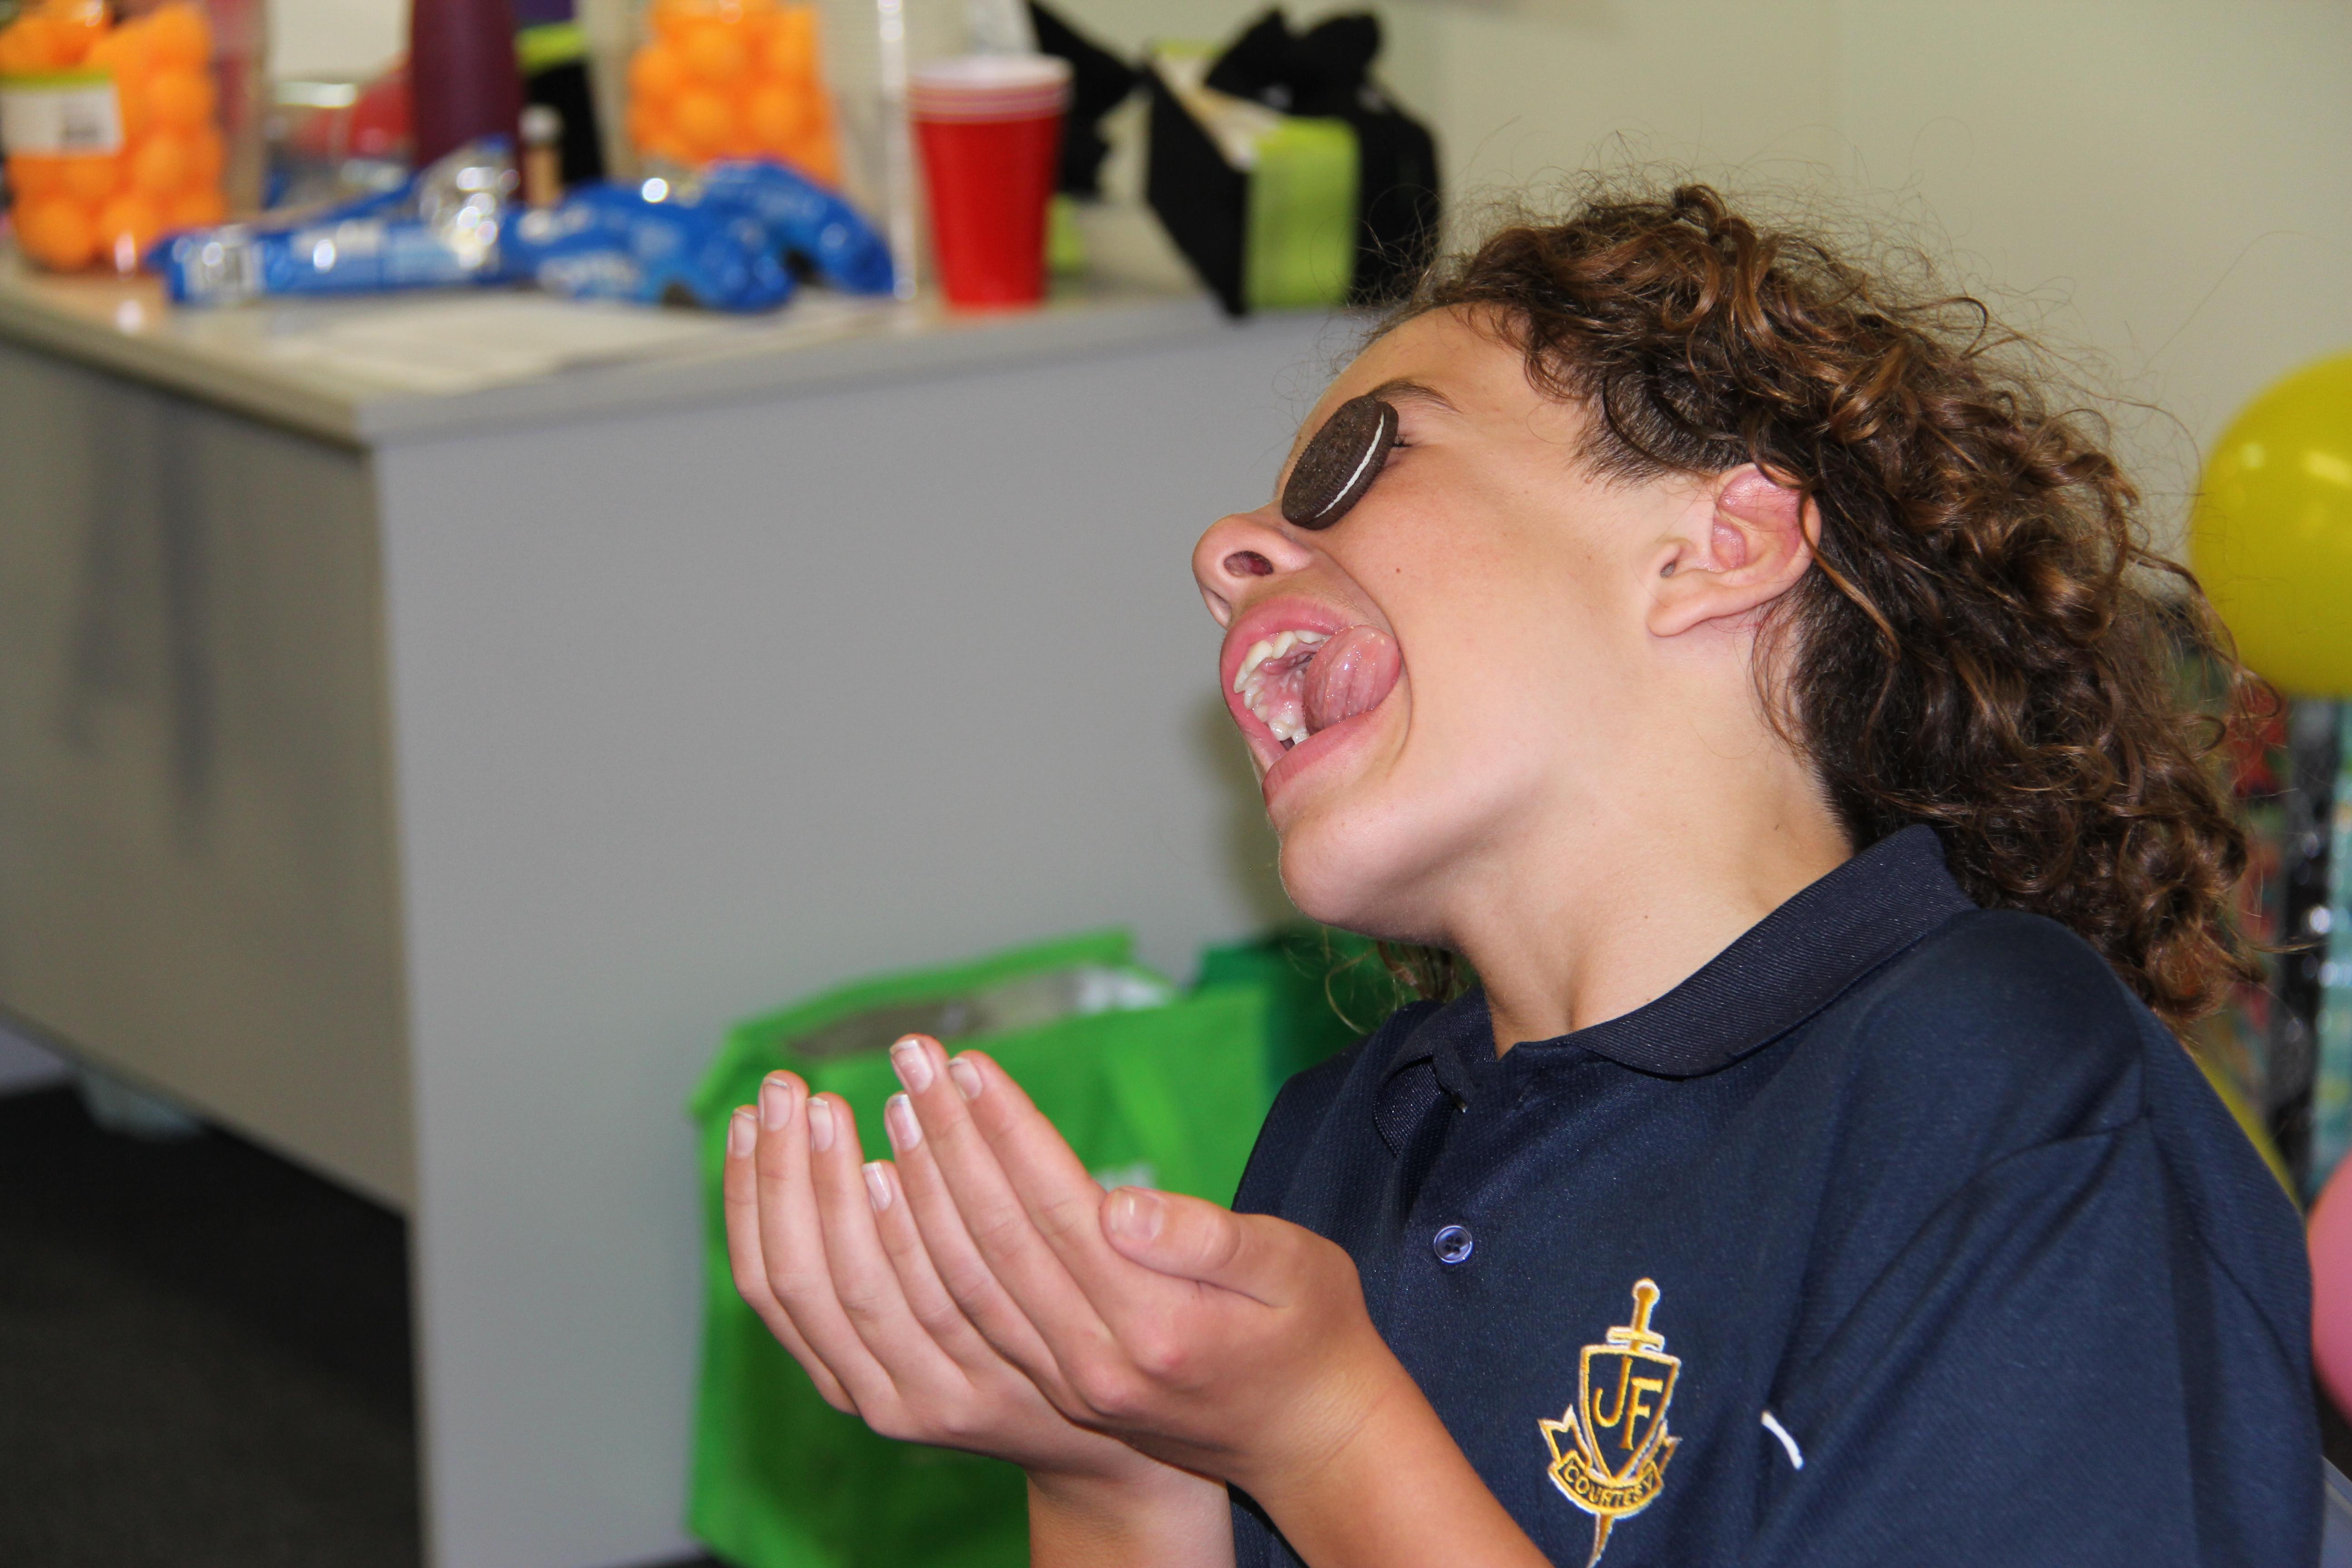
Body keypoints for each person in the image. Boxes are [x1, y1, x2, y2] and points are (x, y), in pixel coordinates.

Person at [718, 182, 2319, 1566]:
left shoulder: (1994, 1083)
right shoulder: (1340, 1145)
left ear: (1718, 546)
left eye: (1365, 459)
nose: (1224, 553)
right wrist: (1111, 1464)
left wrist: (1329, 1434)